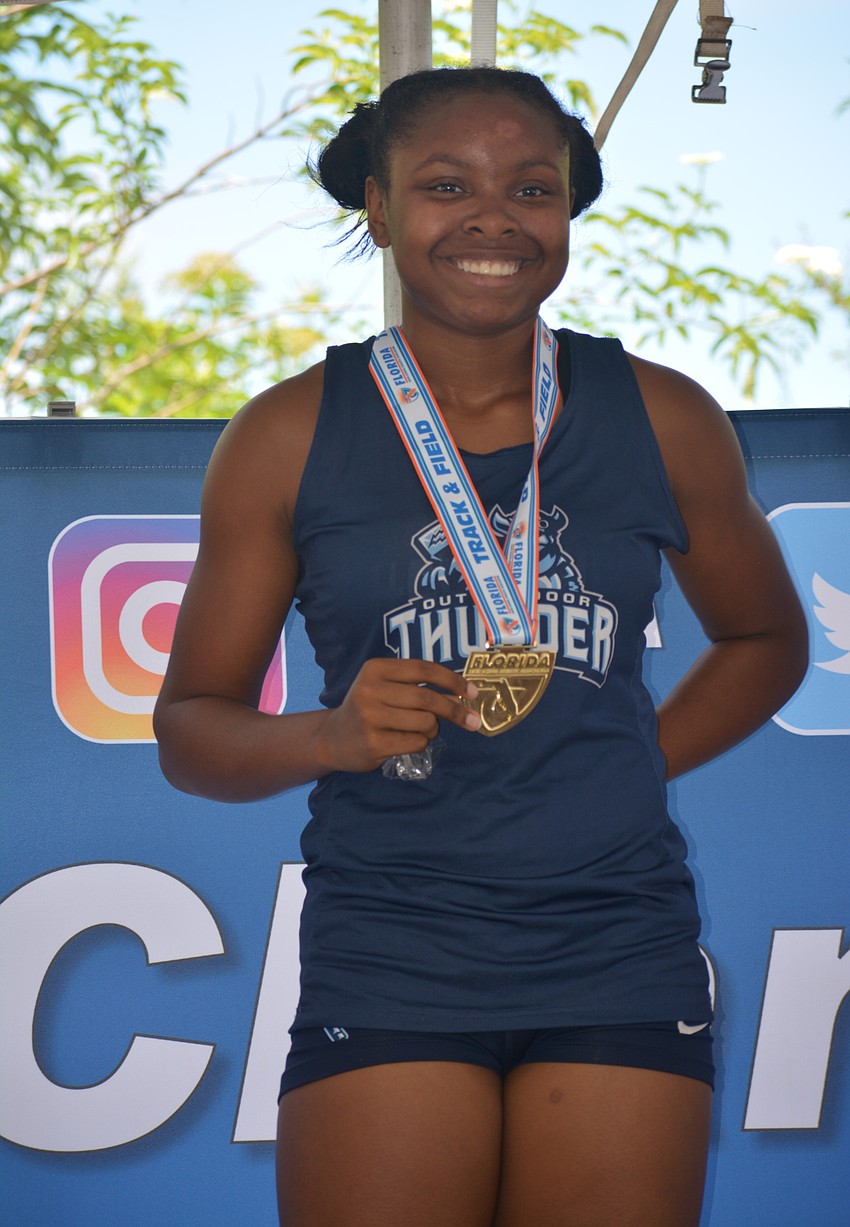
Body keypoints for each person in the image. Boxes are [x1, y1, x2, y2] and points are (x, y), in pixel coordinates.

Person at [154, 66, 808, 1227]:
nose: (494, 219)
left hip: (618, 937)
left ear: (568, 211)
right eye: (446, 186)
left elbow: (764, 640)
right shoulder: (284, 434)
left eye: (534, 188)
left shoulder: (661, 414)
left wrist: (626, 761)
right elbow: (191, 732)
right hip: (392, 943)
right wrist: (331, 733)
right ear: (380, 208)